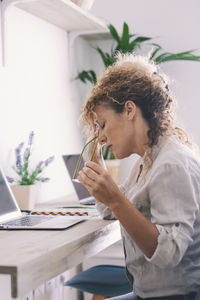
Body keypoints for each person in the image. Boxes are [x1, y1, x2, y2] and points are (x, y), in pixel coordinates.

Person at [77, 53, 200, 300]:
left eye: (103, 124)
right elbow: (114, 211)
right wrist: (102, 178)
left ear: (129, 110)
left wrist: (114, 198)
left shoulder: (171, 164)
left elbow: (169, 253)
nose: (100, 137)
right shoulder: (148, 160)